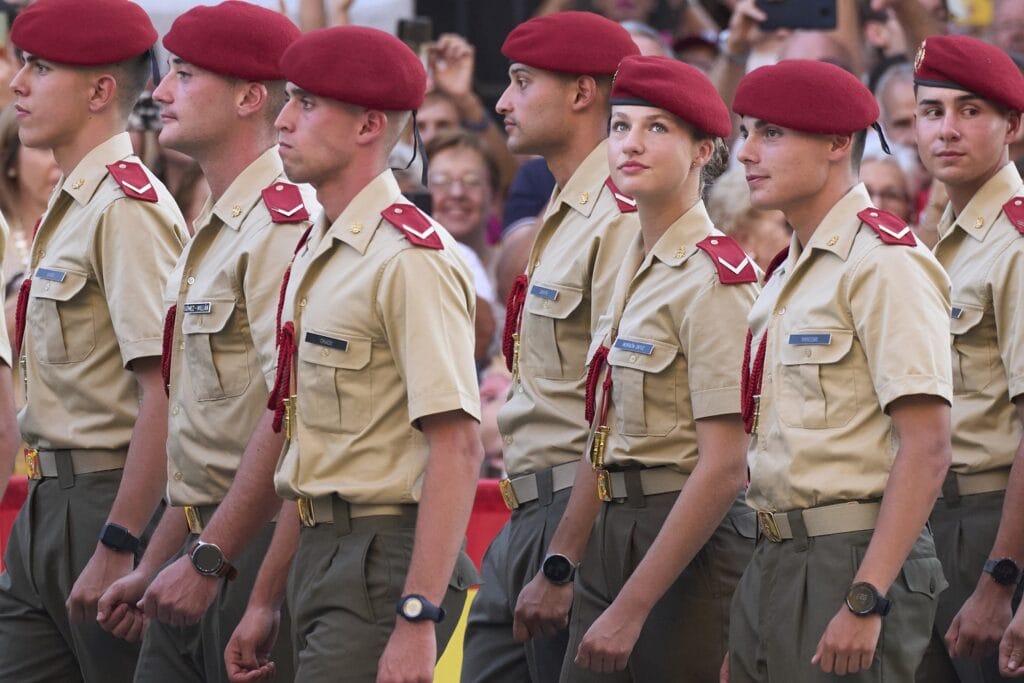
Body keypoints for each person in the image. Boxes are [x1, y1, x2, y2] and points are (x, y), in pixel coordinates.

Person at [225, 26, 482, 683]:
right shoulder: (318, 248)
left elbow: (456, 446)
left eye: (307, 104)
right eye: (288, 100)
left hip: (385, 557)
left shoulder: (408, 259)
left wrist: (418, 614)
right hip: (321, 544)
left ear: (370, 125)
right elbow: (309, 442)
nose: (282, 120)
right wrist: (263, 596)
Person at [93, 4, 312, 682]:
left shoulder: (280, 224)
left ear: (250, 98)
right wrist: (162, 555)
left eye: (184, 76)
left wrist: (209, 558)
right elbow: (202, 443)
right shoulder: (218, 223)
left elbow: (291, 416)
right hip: (197, 541)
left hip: (250, 548)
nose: (158, 93)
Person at [726, 59, 952, 682]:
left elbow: (928, 446)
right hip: (771, 553)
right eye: (745, 131)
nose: (746, 152)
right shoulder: (787, 269)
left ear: (836, 143)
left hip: (848, 556)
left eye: (771, 133)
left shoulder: (883, 264)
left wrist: (866, 595)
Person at [0, 0, 188, 680]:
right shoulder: (77, 201)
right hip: (47, 498)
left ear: (101, 90)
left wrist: (120, 536)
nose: (18, 82)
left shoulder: (126, 209)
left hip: (110, 498)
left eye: (40, 67)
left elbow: (165, 389)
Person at [553, 54, 757, 682]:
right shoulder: (629, 263)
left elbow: (724, 466)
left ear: (704, 151)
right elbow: (605, 429)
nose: (630, 143)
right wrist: (563, 558)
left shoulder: (716, 279)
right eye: (619, 126)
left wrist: (631, 607)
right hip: (612, 530)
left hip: (686, 542)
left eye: (657, 128)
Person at [459, 12, 640, 683]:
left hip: (578, 513)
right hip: (528, 507)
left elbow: (615, 402)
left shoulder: (619, 214)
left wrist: (563, 553)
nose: (504, 101)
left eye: (521, 81)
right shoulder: (566, 208)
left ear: (582, 93)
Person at [910, 34, 1024, 683]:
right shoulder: (948, 239)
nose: (946, 130)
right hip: (935, 521)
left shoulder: (1013, 243)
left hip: (990, 526)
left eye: (970, 110)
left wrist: (1000, 579)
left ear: (1012, 124)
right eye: (931, 112)